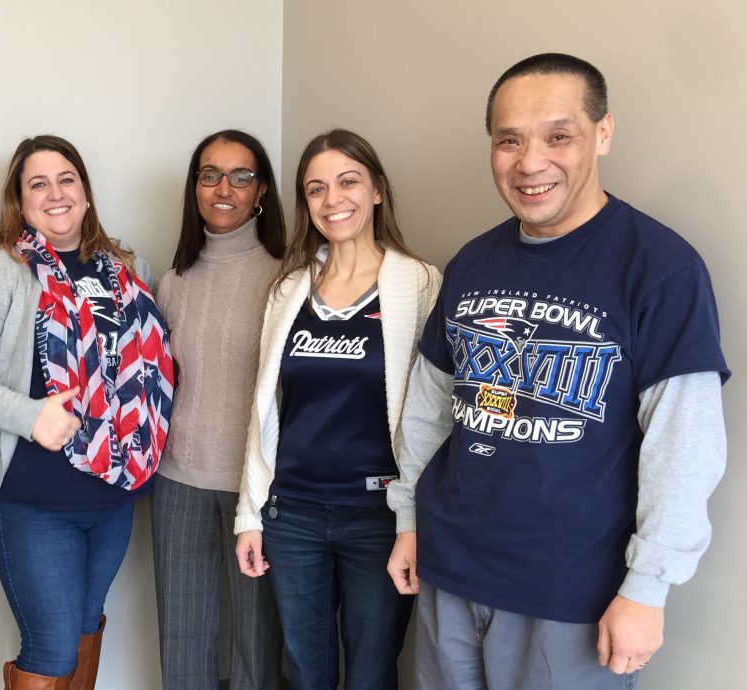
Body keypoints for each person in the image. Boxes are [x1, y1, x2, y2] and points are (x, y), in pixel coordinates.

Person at [386, 53, 730, 690]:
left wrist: (648, 588)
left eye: (558, 136)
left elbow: (684, 448)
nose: (530, 161)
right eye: (508, 140)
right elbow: (430, 409)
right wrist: (408, 521)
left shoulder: (661, 269)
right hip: (450, 570)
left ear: (603, 133)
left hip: (574, 595)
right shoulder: (472, 261)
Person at [0, 134, 173, 690]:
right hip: (30, 496)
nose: (55, 193)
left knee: (86, 628)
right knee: (54, 645)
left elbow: (144, 365)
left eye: (67, 180)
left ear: (85, 194)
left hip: (114, 488)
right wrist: (29, 414)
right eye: (38, 183)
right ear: (20, 199)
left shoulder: (127, 268)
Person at [235, 128, 441, 690]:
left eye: (348, 182)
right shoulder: (288, 289)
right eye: (316, 188)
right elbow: (265, 410)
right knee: (305, 672)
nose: (333, 200)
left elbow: (433, 417)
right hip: (293, 514)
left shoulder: (420, 284)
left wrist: (412, 524)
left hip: (378, 519)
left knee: (373, 673)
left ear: (377, 190)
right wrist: (250, 513)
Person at [152, 130, 286, 690]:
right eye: (210, 175)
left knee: (258, 643)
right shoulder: (173, 280)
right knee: (184, 639)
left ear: (261, 192)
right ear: (195, 189)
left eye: (241, 176)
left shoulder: (288, 275)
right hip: (178, 478)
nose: (223, 188)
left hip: (258, 487)